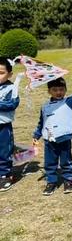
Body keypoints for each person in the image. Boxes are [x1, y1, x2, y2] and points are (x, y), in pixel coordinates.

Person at [33, 77, 72, 195]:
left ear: (65, 90)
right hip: (49, 138)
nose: (58, 92)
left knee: (66, 160)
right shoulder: (45, 106)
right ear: (49, 91)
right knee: (49, 162)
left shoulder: (68, 102)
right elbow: (41, 122)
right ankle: (51, 182)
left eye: (61, 89)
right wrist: (37, 135)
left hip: (64, 137)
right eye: (55, 90)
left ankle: (68, 180)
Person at [0, 58, 20, 192]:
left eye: (1, 72)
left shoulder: (11, 88)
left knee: (4, 150)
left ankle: (5, 174)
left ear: (9, 74)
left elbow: (12, 104)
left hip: (3, 126)